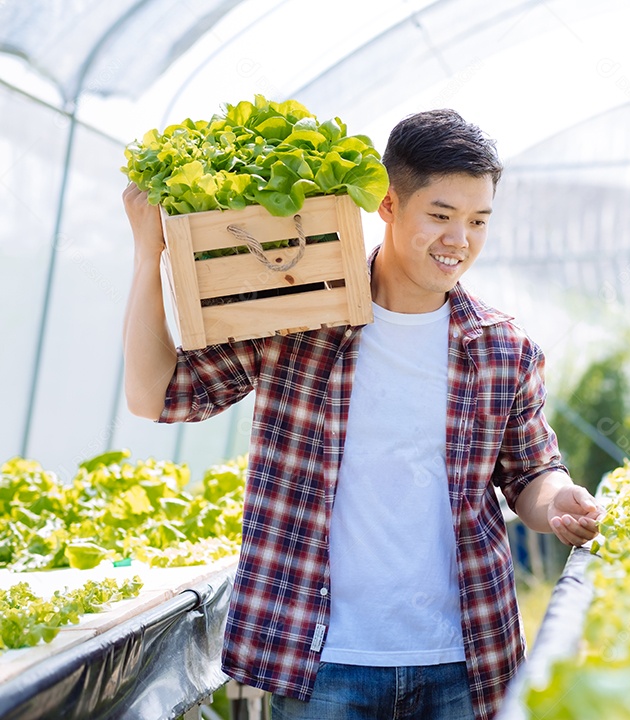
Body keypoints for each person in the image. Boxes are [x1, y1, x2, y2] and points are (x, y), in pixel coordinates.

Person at [121, 109, 602, 720]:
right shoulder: (300, 320)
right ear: (388, 204)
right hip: (321, 662)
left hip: (465, 660)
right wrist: (149, 255)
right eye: (441, 216)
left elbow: (531, 473)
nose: (460, 240)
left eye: (478, 221)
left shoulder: (502, 348)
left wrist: (557, 501)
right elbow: (156, 393)